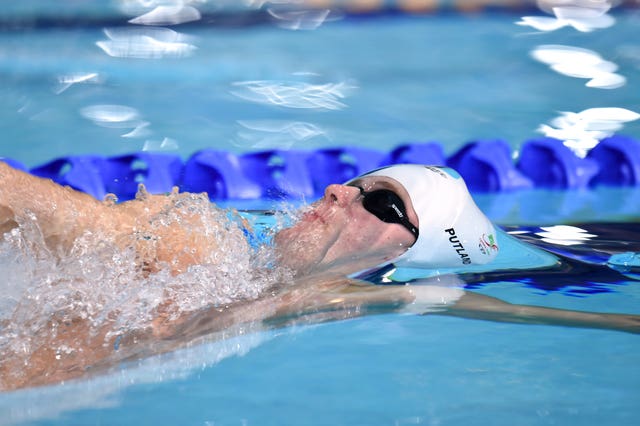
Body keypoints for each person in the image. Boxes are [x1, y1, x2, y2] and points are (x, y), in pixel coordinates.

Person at [0, 161, 637, 391]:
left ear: (410, 252)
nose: (338, 190)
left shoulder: (342, 296)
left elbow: (503, 310)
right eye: (355, 182)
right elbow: (48, 211)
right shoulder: (192, 239)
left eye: (380, 203)